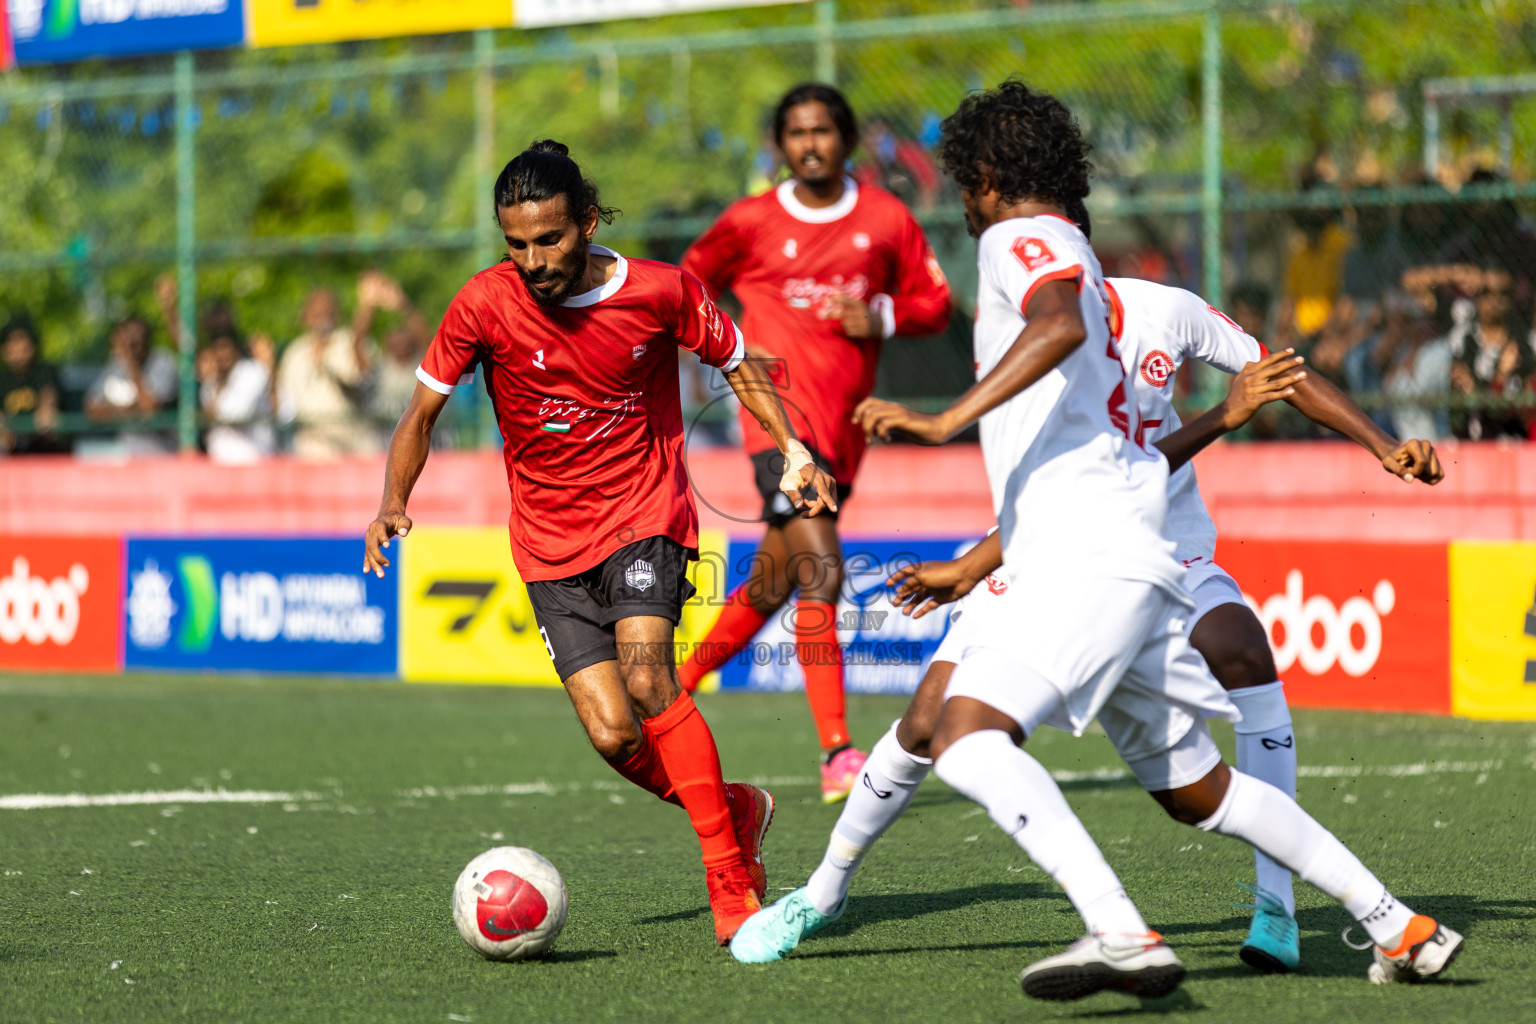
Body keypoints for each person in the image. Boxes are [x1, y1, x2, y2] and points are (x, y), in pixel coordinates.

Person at [738, 81, 1462, 1001]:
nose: (961, 200)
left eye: (964, 179)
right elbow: (1084, 439)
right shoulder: (1074, 251)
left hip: (1088, 557)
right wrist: (976, 559)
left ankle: (1120, 930)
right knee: (1196, 790)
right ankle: (1398, 923)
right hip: (1103, 551)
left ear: (990, 176)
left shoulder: (1019, 240)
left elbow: (1054, 322)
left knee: (965, 740)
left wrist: (942, 419)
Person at [362, 140, 840, 946]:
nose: (534, 259)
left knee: (654, 681)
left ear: (586, 222)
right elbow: (420, 415)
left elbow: (737, 361)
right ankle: (736, 809)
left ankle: (730, 883)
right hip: (548, 544)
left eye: (549, 239)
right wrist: (391, 501)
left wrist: (793, 450)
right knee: (614, 733)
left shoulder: (660, 291)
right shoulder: (483, 303)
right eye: (515, 244)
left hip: (645, 515)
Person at [678, 83, 953, 802]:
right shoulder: (750, 221)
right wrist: (724, 350)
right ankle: (837, 751)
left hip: (843, 431)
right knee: (821, 571)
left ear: (847, 140)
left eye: (822, 132)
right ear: (780, 144)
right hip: (777, 422)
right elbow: (686, 285)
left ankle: (670, 689)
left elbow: (937, 304)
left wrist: (881, 315)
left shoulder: (887, 218)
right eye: (796, 133)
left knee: (775, 578)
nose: (809, 144)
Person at [277, 273, 393, 458]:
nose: (322, 316)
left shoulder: (350, 341)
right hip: (313, 443)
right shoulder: (295, 353)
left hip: (356, 442)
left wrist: (367, 307)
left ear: (337, 314)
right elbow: (285, 405)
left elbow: (360, 379)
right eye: (316, 311)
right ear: (305, 315)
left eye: (327, 310)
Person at [83, 315, 178, 455]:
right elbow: (91, 408)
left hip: (163, 452)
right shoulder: (117, 364)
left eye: (134, 343)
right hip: (128, 453)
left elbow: (149, 408)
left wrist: (131, 364)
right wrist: (124, 411)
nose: (131, 348)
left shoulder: (164, 362)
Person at [197, 329, 276, 464]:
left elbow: (236, 413)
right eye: (218, 349)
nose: (222, 355)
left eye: (226, 348)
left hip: (253, 458)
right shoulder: (212, 382)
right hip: (220, 459)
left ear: (236, 350)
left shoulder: (252, 372)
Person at [0, 317, 64, 455]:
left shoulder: (45, 370)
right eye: (12, 341)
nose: (19, 346)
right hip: (11, 451)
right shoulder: (3, 378)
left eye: (22, 339)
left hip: (44, 448)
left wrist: (46, 413)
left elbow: (48, 402)